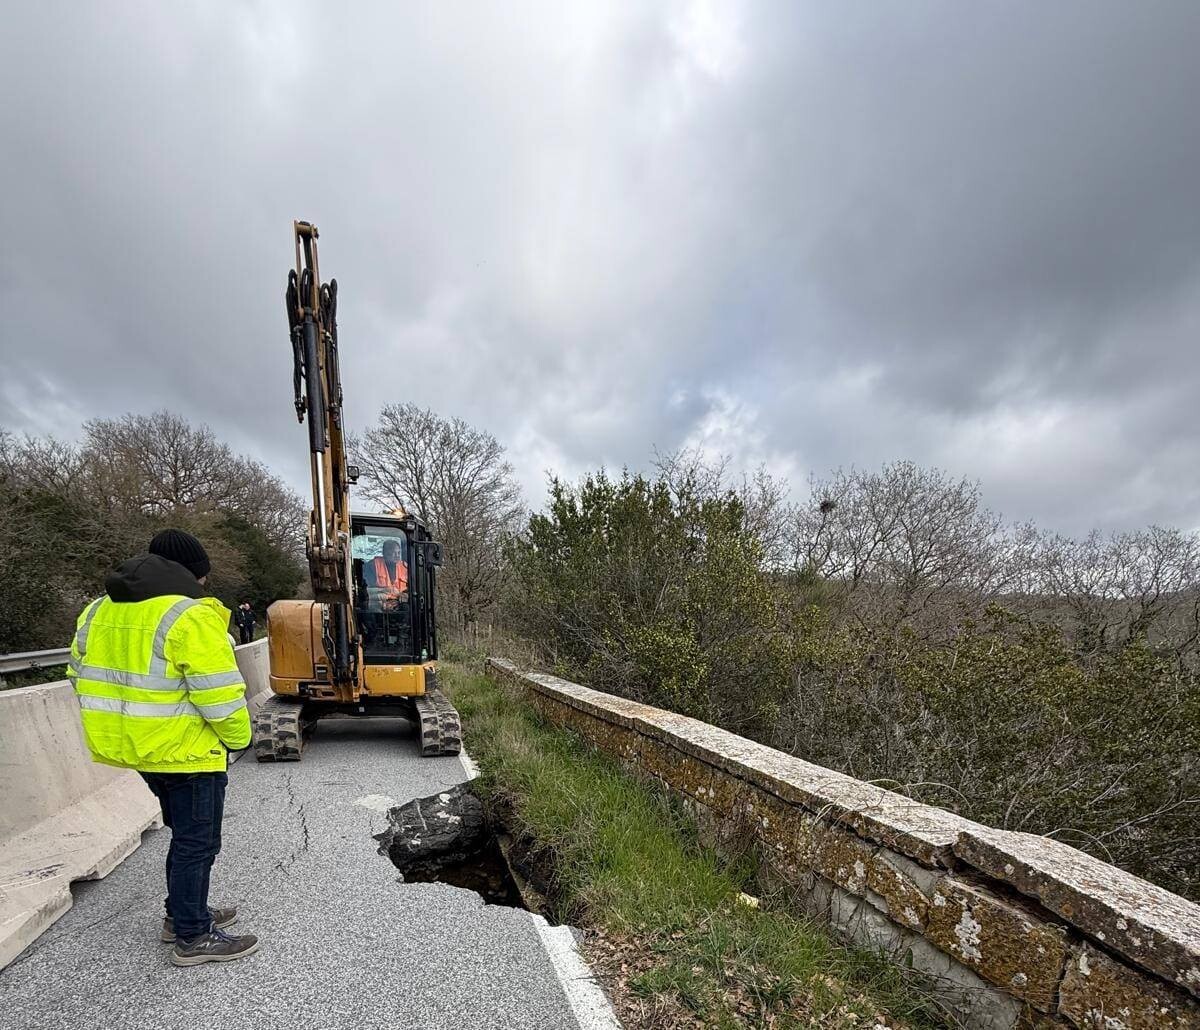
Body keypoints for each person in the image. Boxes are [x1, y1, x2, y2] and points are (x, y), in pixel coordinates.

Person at [67, 528, 260, 967]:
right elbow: (220, 695)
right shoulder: (190, 616)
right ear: (194, 573)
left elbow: (78, 673)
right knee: (198, 843)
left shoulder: (96, 611)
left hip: (137, 750)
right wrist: (238, 739)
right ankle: (192, 936)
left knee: (184, 836)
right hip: (187, 752)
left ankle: (181, 915)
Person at [363, 538, 408, 610]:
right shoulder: (373, 565)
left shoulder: (404, 566)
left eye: (399, 553)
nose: (397, 556)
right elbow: (366, 590)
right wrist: (384, 596)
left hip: (399, 604)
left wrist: (405, 595)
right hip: (377, 603)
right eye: (393, 552)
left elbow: (411, 588)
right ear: (385, 553)